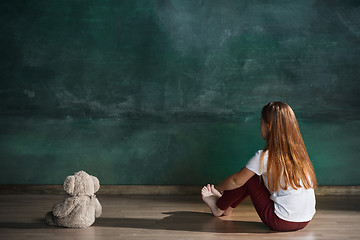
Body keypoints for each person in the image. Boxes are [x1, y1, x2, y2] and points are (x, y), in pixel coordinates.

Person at [201, 101, 317, 232]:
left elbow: (235, 181)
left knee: (248, 177)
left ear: (268, 127)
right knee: (251, 175)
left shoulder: (265, 157)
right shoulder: (299, 156)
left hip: (280, 221)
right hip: (306, 219)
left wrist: (218, 188)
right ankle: (227, 208)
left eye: (261, 123)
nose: (260, 127)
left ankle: (218, 207)